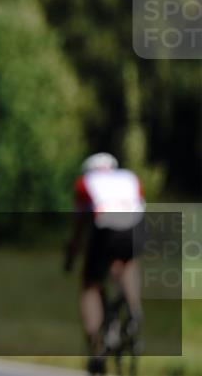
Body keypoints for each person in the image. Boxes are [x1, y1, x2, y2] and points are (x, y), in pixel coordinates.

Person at [65, 152, 145, 375]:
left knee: (90, 285)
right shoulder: (129, 177)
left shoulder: (85, 182)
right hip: (134, 228)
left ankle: (96, 346)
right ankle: (133, 308)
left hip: (106, 226)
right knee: (127, 262)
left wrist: (72, 255)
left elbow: (80, 225)